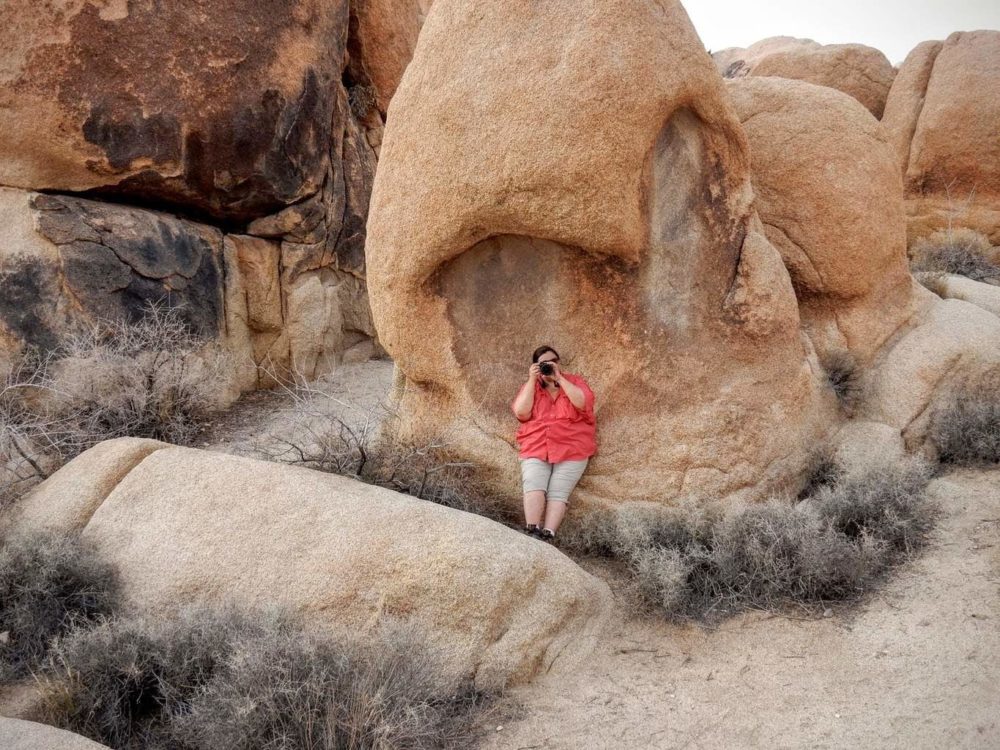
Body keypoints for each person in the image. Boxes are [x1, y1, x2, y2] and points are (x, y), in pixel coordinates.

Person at [510, 345, 596, 542]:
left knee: (558, 492)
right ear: (536, 367)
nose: (550, 365)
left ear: (559, 363)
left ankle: (548, 534)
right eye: (544, 364)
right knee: (533, 482)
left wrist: (560, 378)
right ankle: (532, 530)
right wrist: (532, 379)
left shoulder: (574, 383)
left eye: (554, 361)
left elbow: (582, 403)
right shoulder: (531, 387)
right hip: (537, 445)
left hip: (573, 449)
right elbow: (521, 413)